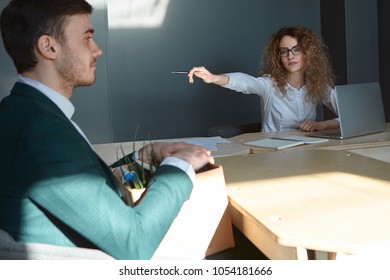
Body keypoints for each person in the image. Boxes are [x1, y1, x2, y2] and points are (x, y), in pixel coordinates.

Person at [0, 0, 214, 260]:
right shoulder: (39, 130)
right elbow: (134, 244)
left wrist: (141, 160)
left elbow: (84, 195)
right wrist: (180, 166)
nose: (97, 50)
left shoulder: (24, 110)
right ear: (49, 46)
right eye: (87, 38)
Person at [188, 26, 340, 132]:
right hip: (272, 153)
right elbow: (245, 82)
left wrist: (322, 125)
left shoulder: (318, 85)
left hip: (308, 150)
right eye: (284, 51)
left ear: (307, 53)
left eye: (297, 50)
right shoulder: (269, 85)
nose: (290, 56)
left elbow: (348, 116)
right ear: (278, 57)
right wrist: (214, 77)